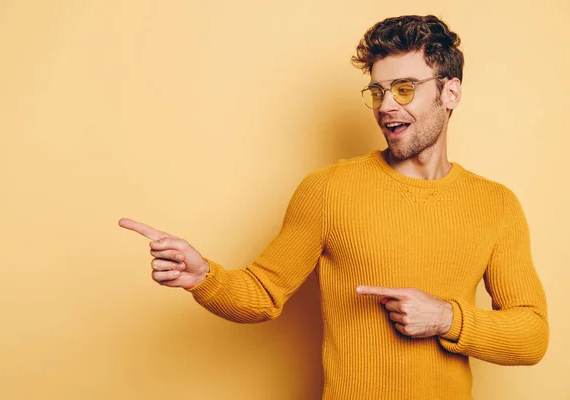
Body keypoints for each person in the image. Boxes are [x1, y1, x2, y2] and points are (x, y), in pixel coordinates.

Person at [119, 14, 548, 400]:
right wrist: (203, 277)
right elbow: (263, 294)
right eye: (377, 92)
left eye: (404, 89)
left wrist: (445, 319)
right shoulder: (329, 189)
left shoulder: (496, 204)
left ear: (450, 92)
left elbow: (531, 335)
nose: (387, 106)